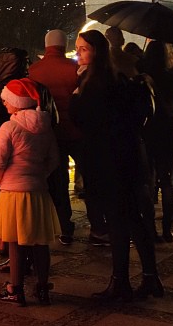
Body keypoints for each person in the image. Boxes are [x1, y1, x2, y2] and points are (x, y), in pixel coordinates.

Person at [70, 30, 163, 302]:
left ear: (96, 51)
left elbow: (86, 118)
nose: (78, 54)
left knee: (120, 221)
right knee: (133, 219)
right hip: (125, 158)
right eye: (77, 48)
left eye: (83, 49)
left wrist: (77, 94)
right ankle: (148, 278)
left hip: (109, 161)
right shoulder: (113, 78)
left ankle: (121, 282)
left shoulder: (99, 83)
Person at [0, 79, 62, 306]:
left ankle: (16, 288)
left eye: (7, 100)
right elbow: (54, 160)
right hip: (38, 191)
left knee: (15, 242)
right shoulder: (46, 126)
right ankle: (42, 288)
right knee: (40, 242)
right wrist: (39, 176)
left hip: (13, 192)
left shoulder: (9, 127)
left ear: (16, 102)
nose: (4, 104)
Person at [30, 29, 91, 246]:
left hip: (51, 134)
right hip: (77, 132)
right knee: (89, 178)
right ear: (64, 46)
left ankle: (64, 226)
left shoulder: (34, 71)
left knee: (58, 182)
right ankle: (97, 224)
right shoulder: (75, 70)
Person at [139, 40, 173, 243]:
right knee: (167, 181)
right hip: (168, 134)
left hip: (148, 134)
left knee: (148, 182)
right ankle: (169, 228)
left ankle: (149, 228)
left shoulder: (142, 80)